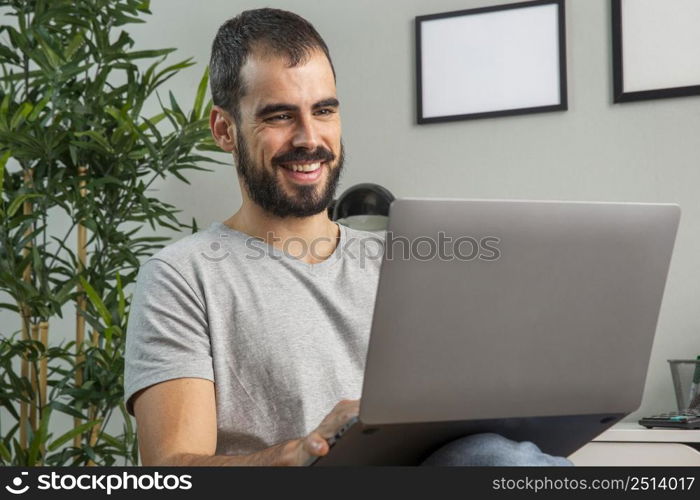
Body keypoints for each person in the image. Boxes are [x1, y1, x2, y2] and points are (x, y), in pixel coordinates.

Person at [124, 8, 571, 467]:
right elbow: (171, 469)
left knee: (497, 457)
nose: (309, 138)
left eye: (323, 110)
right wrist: (295, 455)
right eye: (279, 116)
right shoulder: (182, 276)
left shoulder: (405, 262)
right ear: (224, 130)